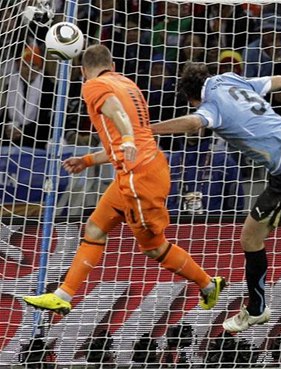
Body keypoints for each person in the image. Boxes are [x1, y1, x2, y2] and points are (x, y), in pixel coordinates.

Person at [23, 44, 225, 316]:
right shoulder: (128, 84)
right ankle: (62, 295)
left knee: (154, 248)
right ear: (113, 65)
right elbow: (127, 137)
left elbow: (118, 117)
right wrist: (88, 160)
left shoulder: (93, 85)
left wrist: (127, 137)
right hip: (138, 168)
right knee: (94, 228)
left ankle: (208, 284)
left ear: (83, 70)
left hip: (139, 176)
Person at [150, 62, 281, 332]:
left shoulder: (208, 107)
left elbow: (194, 122)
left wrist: (150, 130)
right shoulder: (229, 79)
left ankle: (256, 309)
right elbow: (276, 81)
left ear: (191, 97)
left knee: (250, 238)